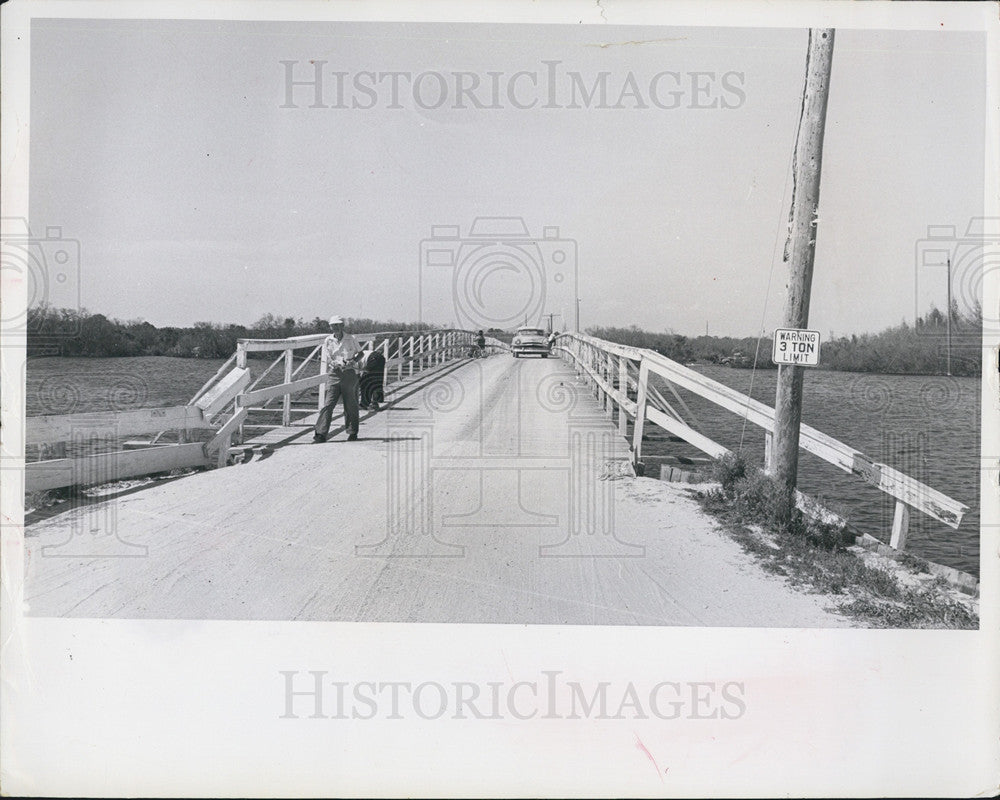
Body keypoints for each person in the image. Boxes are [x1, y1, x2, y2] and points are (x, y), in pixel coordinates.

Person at [313, 315, 363, 443]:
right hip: (334, 374)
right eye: (333, 325)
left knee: (350, 404)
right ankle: (320, 433)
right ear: (330, 327)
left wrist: (353, 361)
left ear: (342, 326)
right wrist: (333, 363)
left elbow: (360, 353)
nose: (335, 327)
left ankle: (352, 432)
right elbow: (327, 356)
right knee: (328, 404)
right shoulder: (328, 340)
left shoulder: (351, 338)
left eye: (337, 325)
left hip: (349, 374)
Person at [358, 346, 386, 411]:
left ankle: (364, 404)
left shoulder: (354, 359)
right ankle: (376, 402)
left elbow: (358, 373)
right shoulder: (359, 353)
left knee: (365, 383)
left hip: (372, 358)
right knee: (377, 380)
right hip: (380, 358)